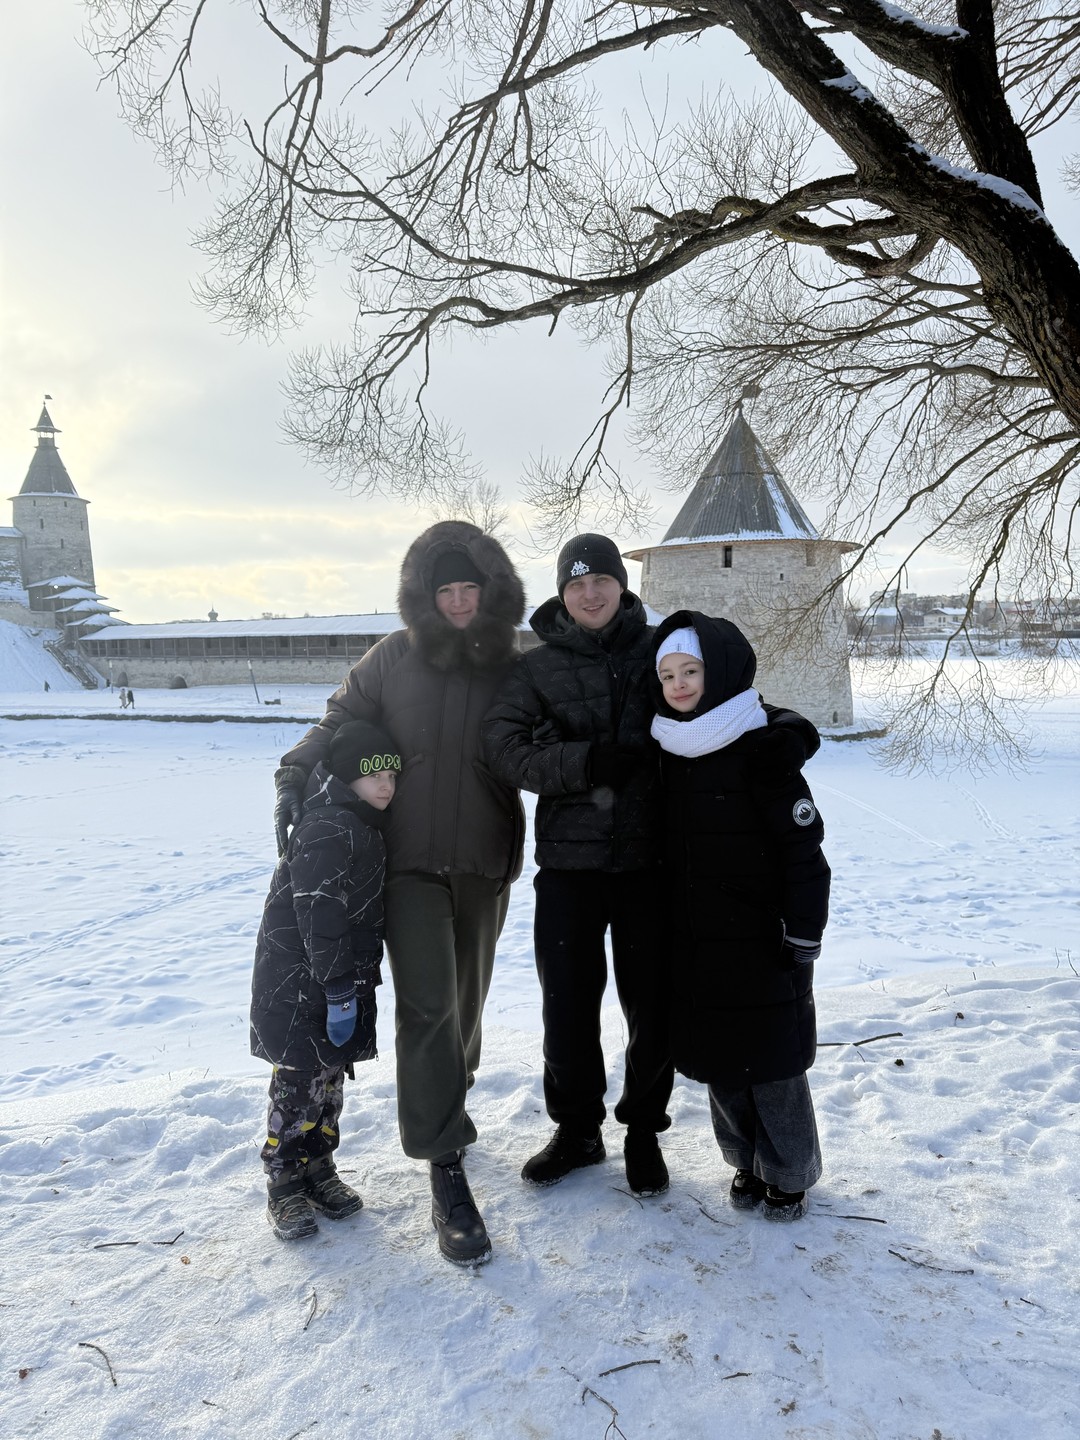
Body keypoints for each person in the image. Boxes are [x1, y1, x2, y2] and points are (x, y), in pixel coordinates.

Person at [482, 534, 821, 1197]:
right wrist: (581, 765)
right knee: (568, 1006)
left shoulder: (658, 649)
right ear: (562, 593)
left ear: (619, 584)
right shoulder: (534, 667)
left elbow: (725, 696)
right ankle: (577, 1129)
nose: (589, 593)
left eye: (600, 579)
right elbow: (504, 749)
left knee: (652, 1006)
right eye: (576, 583)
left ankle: (643, 1131)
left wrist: (790, 728)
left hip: (650, 863)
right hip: (570, 868)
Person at [272, 521, 526, 1265]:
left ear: (488, 590)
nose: (455, 601)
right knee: (429, 1006)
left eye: (467, 588)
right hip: (407, 864)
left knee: (467, 1008)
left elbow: (572, 710)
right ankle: (444, 1164)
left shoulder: (513, 662)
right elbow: (339, 718)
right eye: (443, 589)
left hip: (485, 861)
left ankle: (451, 1096)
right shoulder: (391, 657)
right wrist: (295, 772)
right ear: (424, 593)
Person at [651, 611, 830, 1221]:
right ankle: (744, 1161)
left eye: (691, 671)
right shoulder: (667, 747)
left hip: (761, 938)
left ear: (721, 669)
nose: (678, 684)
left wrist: (803, 930)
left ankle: (789, 1171)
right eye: (668, 674)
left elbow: (804, 851)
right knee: (722, 1059)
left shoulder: (763, 751)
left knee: (773, 1063)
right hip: (695, 938)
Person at [251, 719, 400, 1240]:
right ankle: (283, 1183)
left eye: (391, 773)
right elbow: (320, 914)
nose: (385, 784)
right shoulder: (327, 827)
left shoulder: (359, 823)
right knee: (297, 1086)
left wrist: (348, 986)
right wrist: (338, 988)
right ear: (343, 774)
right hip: (299, 987)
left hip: (335, 983)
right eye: (372, 773)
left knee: (328, 1084)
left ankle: (318, 1168)